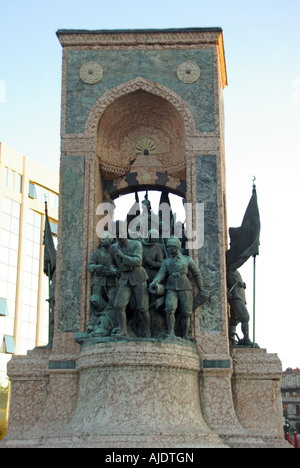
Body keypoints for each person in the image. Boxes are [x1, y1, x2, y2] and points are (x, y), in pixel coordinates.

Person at [150, 237, 204, 340]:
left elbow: (197, 273)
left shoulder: (187, 259)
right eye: (168, 247)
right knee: (170, 309)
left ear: (176, 247)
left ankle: (185, 336)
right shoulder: (166, 261)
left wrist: (201, 287)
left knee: (186, 312)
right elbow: (161, 273)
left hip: (185, 286)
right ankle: (171, 333)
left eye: (171, 247)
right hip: (171, 287)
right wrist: (155, 281)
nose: (169, 249)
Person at [111, 234, 150, 338]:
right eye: (117, 236)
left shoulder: (136, 244)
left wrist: (122, 256)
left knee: (142, 307)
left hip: (138, 277)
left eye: (121, 235)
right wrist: (113, 269)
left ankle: (147, 331)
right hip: (124, 279)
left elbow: (138, 261)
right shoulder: (113, 247)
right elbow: (112, 263)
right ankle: (123, 330)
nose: (120, 238)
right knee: (119, 305)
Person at [87, 233, 119, 306]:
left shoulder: (115, 252)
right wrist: (96, 267)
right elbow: (89, 266)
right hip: (98, 281)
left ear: (110, 240)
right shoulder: (97, 253)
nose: (102, 241)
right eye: (101, 239)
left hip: (111, 281)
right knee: (96, 302)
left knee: (114, 303)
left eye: (104, 239)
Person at [227, 268, 252, 346]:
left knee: (234, 320)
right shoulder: (230, 269)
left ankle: (231, 339)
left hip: (238, 296)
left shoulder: (234, 271)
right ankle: (246, 338)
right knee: (245, 317)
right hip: (236, 296)